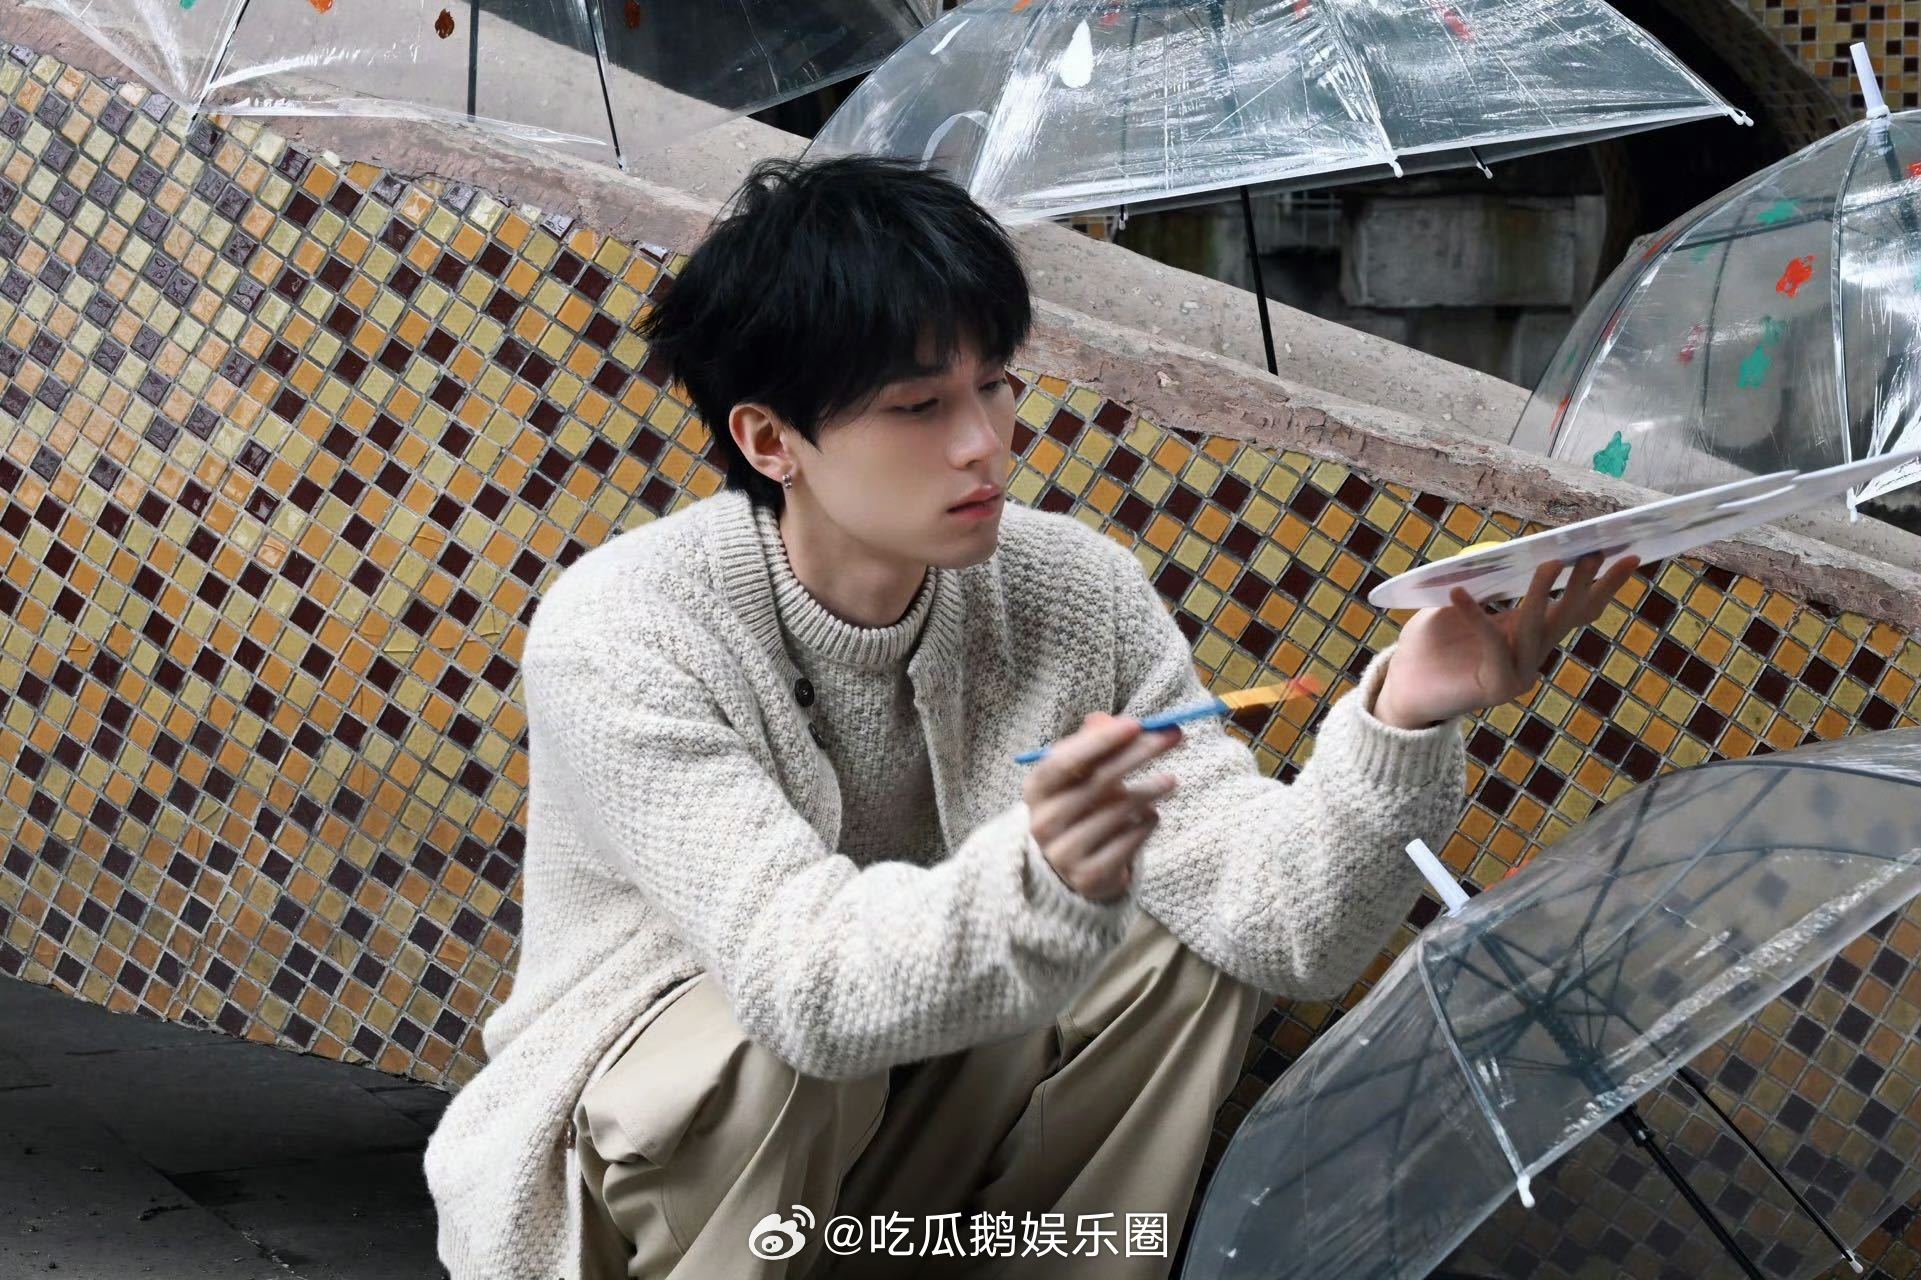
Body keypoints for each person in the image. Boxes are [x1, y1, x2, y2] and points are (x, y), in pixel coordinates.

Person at [422, 156, 1635, 1280]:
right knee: (767, 1043)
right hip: (649, 1191)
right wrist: (1047, 871)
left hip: (897, 1160)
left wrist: (1401, 719)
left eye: (994, 385)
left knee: (1185, 940)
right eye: (918, 405)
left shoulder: (1071, 590)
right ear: (769, 438)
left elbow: (1284, 929)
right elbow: (806, 986)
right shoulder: (626, 630)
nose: (985, 445)